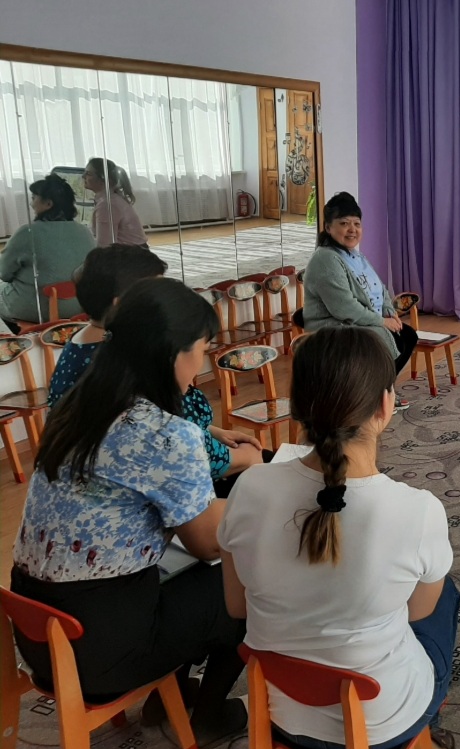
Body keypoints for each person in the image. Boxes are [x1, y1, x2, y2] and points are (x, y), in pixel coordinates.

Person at [11, 277, 247, 744]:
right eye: (202, 350)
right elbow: (206, 542)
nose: (201, 364)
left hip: (38, 636)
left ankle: (166, 698)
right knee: (240, 580)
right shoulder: (164, 433)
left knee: (177, 571)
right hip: (101, 652)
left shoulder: (77, 407)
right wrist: (257, 497)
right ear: (173, 353)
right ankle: (208, 715)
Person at [218, 326, 458, 749]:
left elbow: (237, 606)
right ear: (385, 405)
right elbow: (417, 613)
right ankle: (428, 728)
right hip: (380, 723)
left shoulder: (250, 486)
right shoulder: (417, 511)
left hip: (278, 709)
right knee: (445, 595)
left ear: (296, 407)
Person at [45, 244, 265, 496]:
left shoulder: (90, 342)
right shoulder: (125, 359)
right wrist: (245, 457)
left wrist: (212, 432)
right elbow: (172, 447)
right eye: (156, 294)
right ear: (122, 306)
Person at [301, 192, 415, 409]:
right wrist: (381, 321)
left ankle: (380, 392)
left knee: (407, 335)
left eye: (357, 223)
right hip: (333, 328)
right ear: (328, 227)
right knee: (383, 339)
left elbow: (379, 288)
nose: (352, 229)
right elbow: (344, 308)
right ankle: (370, 397)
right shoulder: (326, 258)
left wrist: (388, 311)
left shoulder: (355, 255)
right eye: (344, 223)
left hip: (356, 322)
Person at [0, 174, 95, 327]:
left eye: (34, 198)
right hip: (79, 306)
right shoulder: (85, 232)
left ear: (48, 204)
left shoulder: (27, 232)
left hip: (35, 309)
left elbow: (4, 273)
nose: (31, 204)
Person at [84, 158, 149, 246]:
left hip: (130, 252)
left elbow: (104, 245)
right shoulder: (111, 199)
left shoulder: (107, 204)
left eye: (88, 174)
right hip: (133, 250)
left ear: (102, 179)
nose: (83, 176)